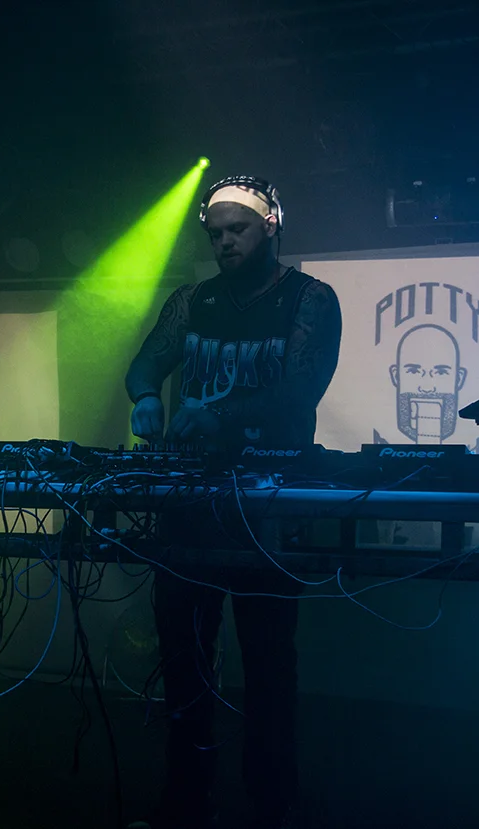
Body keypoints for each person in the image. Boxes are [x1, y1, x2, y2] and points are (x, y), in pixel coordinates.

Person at [123, 176, 342, 829]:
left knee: (269, 663)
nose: (223, 242)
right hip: (191, 501)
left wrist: (219, 416)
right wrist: (145, 395)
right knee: (183, 661)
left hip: (267, 503)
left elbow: (300, 388)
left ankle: (271, 804)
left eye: (236, 230)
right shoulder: (193, 300)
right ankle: (187, 800)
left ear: (271, 225)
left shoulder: (310, 299)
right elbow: (145, 363)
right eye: (215, 232)